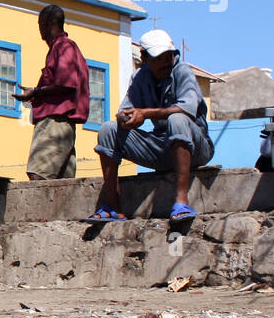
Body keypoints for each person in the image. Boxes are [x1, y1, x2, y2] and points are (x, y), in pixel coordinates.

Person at [90, 29, 212, 221]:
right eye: (159, 58)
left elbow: (187, 110)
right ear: (145, 58)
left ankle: (181, 202)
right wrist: (127, 119)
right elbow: (124, 110)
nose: (165, 62)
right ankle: (114, 208)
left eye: (168, 56)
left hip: (195, 146)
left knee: (177, 119)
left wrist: (145, 113)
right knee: (108, 130)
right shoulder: (140, 77)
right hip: (162, 146)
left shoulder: (182, 71)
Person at [13, 4, 90, 180]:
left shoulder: (63, 46)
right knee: (61, 185)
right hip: (62, 125)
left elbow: (66, 83)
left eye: (40, 24)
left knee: (37, 175)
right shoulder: (62, 47)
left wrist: (36, 92)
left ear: (46, 23)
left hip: (55, 122)